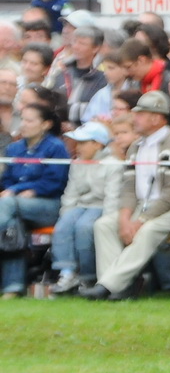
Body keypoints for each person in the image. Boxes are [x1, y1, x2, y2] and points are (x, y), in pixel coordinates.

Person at [81, 92, 170, 300]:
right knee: (105, 225)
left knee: (147, 230)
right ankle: (117, 287)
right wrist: (125, 218)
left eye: (140, 114)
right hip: (141, 206)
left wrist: (141, 220)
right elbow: (128, 188)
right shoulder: (136, 146)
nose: (135, 118)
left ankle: (107, 286)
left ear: (156, 117)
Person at [0, 102, 71, 297]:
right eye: (22, 119)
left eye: (30, 120)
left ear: (46, 124)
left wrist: (26, 189)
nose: (24, 124)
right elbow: (7, 181)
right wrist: (16, 189)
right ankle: (13, 288)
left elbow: (55, 182)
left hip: (48, 206)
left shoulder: (56, 147)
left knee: (6, 204)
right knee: (12, 226)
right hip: (15, 208)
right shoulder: (14, 149)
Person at [45, 121, 119, 295]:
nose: (78, 147)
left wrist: (107, 219)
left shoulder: (113, 164)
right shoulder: (77, 163)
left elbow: (112, 196)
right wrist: (65, 215)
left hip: (100, 207)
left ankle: (88, 276)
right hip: (81, 207)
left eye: (84, 143)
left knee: (84, 227)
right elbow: (71, 193)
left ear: (98, 144)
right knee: (63, 226)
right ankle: (67, 273)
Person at [51, 25, 105, 125]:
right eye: (74, 41)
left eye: (82, 43)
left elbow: (99, 109)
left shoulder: (103, 76)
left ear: (95, 48)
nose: (76, 46)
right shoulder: (62, 72)